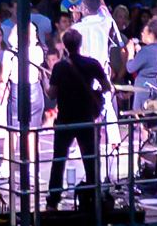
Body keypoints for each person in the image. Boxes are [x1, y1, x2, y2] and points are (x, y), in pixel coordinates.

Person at [45, 27, 111, 213]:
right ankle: (94, 195)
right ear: (80, 44)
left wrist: (45, 81)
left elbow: (51, 94)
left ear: (65, 46)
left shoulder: (60, 67)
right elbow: (106, 87)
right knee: (91, 159)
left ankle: (53, 200)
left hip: (65, 119)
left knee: (59, 160)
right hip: (86, 118)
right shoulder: (92, 64)